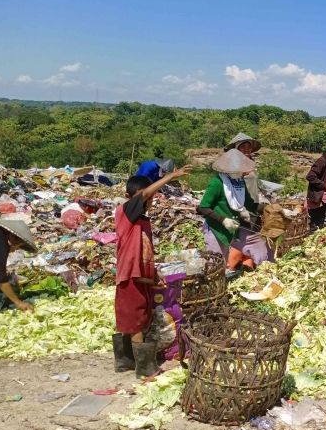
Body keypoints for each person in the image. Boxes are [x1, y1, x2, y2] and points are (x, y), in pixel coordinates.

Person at [114, 165, 192, 377]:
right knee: (136, 320)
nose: (147, 202)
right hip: (130, 275)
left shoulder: (141, 221)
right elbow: (146, 192)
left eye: (148, 200)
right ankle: (144, 368)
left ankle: (125, 360)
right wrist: (171, 176)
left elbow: (144, 251)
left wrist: (154, 272)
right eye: (144, 198)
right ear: (130, 197)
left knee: (137, 316)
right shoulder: (126, 211)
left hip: (141, 276)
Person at [197, 149, 270, 271]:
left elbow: (250, 204)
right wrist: (223, 220)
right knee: (216, 266)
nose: (239, 172)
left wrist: (268, 209)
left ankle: (265, 269)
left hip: (235, 227)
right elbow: (202, 208)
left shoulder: (240, 183)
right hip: (217, 229)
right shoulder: (217, 183)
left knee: (259, 246)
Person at [0, 218, 37, 312]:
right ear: (11, 237)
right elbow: (0, 279)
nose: (17, 248)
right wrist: (18, 302)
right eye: (19, 244)